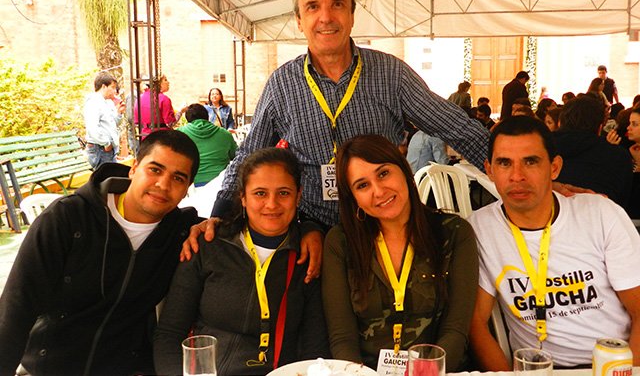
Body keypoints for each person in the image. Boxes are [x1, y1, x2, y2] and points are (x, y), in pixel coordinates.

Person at [207, 0, 489, 238]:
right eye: (313, 6)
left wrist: (503, 170)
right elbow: (249, 154)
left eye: (338, 4)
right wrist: (219, 215)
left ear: (352, 14)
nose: (326, 17)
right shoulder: (282, 84)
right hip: (312, 231)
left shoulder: (391, 73)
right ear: (299, 20)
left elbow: (455, 127)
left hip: (382, 224)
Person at [0, 130, 202, 376]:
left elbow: (233, 227)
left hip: (128, 369)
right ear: (133, 168)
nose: (163, 185)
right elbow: (16, 308)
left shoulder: (181, 232)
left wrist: (212, 225)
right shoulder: (68, 218)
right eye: (154, 170)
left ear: (187, 188)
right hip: (50, 367)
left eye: (178, 178)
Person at [467, 116, 640, 370]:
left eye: (531, 162)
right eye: (504, 163)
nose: (517, 176)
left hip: (612, 363)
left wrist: (627, 372)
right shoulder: (480, 228)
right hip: (536, 368)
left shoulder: (601, 214)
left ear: (554, 168)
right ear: (490, 170)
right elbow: (475, 323)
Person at [154, 147, 329, 375]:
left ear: (298, 196)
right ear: (243, 198)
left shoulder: (309, 256)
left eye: (284, 193)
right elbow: (169, 334)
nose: (272, 204)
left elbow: (315, 348)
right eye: (260, 193)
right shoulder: (207, 245)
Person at [322, 134, 478, 372]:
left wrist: (428, 371)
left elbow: (455, 329)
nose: (378, 191)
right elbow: (342, 338)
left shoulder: (454, 233)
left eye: (383, 173)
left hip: (437, 371)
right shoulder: (341, 242)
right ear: (353, 198)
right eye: (362, 185)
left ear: (404, 169)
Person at [553, 94, 632, 209]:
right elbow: (623, 204)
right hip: (603, 216)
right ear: (600, 127)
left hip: (547, 217)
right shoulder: (618, 156)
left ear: (560, 123)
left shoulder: (541, 149)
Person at [177, 103, 237, 187]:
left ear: (187, 119)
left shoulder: (179, 134)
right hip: (220, 183)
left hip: (191, 184)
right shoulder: (225, 134)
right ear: (207, 116)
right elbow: (236, 155)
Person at [84, 72, 125, 169]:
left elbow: (113, 123)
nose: (114, 91)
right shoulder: (93, 102)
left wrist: (119, 113)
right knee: (105, 176)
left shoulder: (108, 102)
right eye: (112, 87)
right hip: (99, 148)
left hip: (109, 148)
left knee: (111, 176)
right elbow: (92, 128)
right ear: (103, 87)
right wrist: (106, 143)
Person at [134, 74, 185, 139]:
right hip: (161, 137)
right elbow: (170, 123)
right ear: (159, 83)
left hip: (145, 136)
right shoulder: (164, 99)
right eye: (165, 80)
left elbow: (137, 121)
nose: (168, 82)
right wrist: (181, 111)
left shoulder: (139, 98)